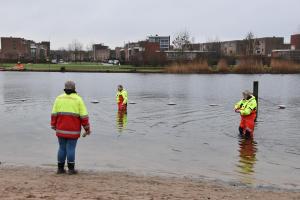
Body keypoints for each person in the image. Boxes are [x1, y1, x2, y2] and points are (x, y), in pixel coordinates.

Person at [51, 81, 91, 174]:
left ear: (65, 88)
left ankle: (60, 169)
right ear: (74, 89)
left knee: (61, 148)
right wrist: (87, 129)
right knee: (71, 148)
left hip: (60, 129)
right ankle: (71, 170)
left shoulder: (58, 98)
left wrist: (53, 125)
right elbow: (84, 117)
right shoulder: (78, 99)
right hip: (73, 130)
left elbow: (54, 114)